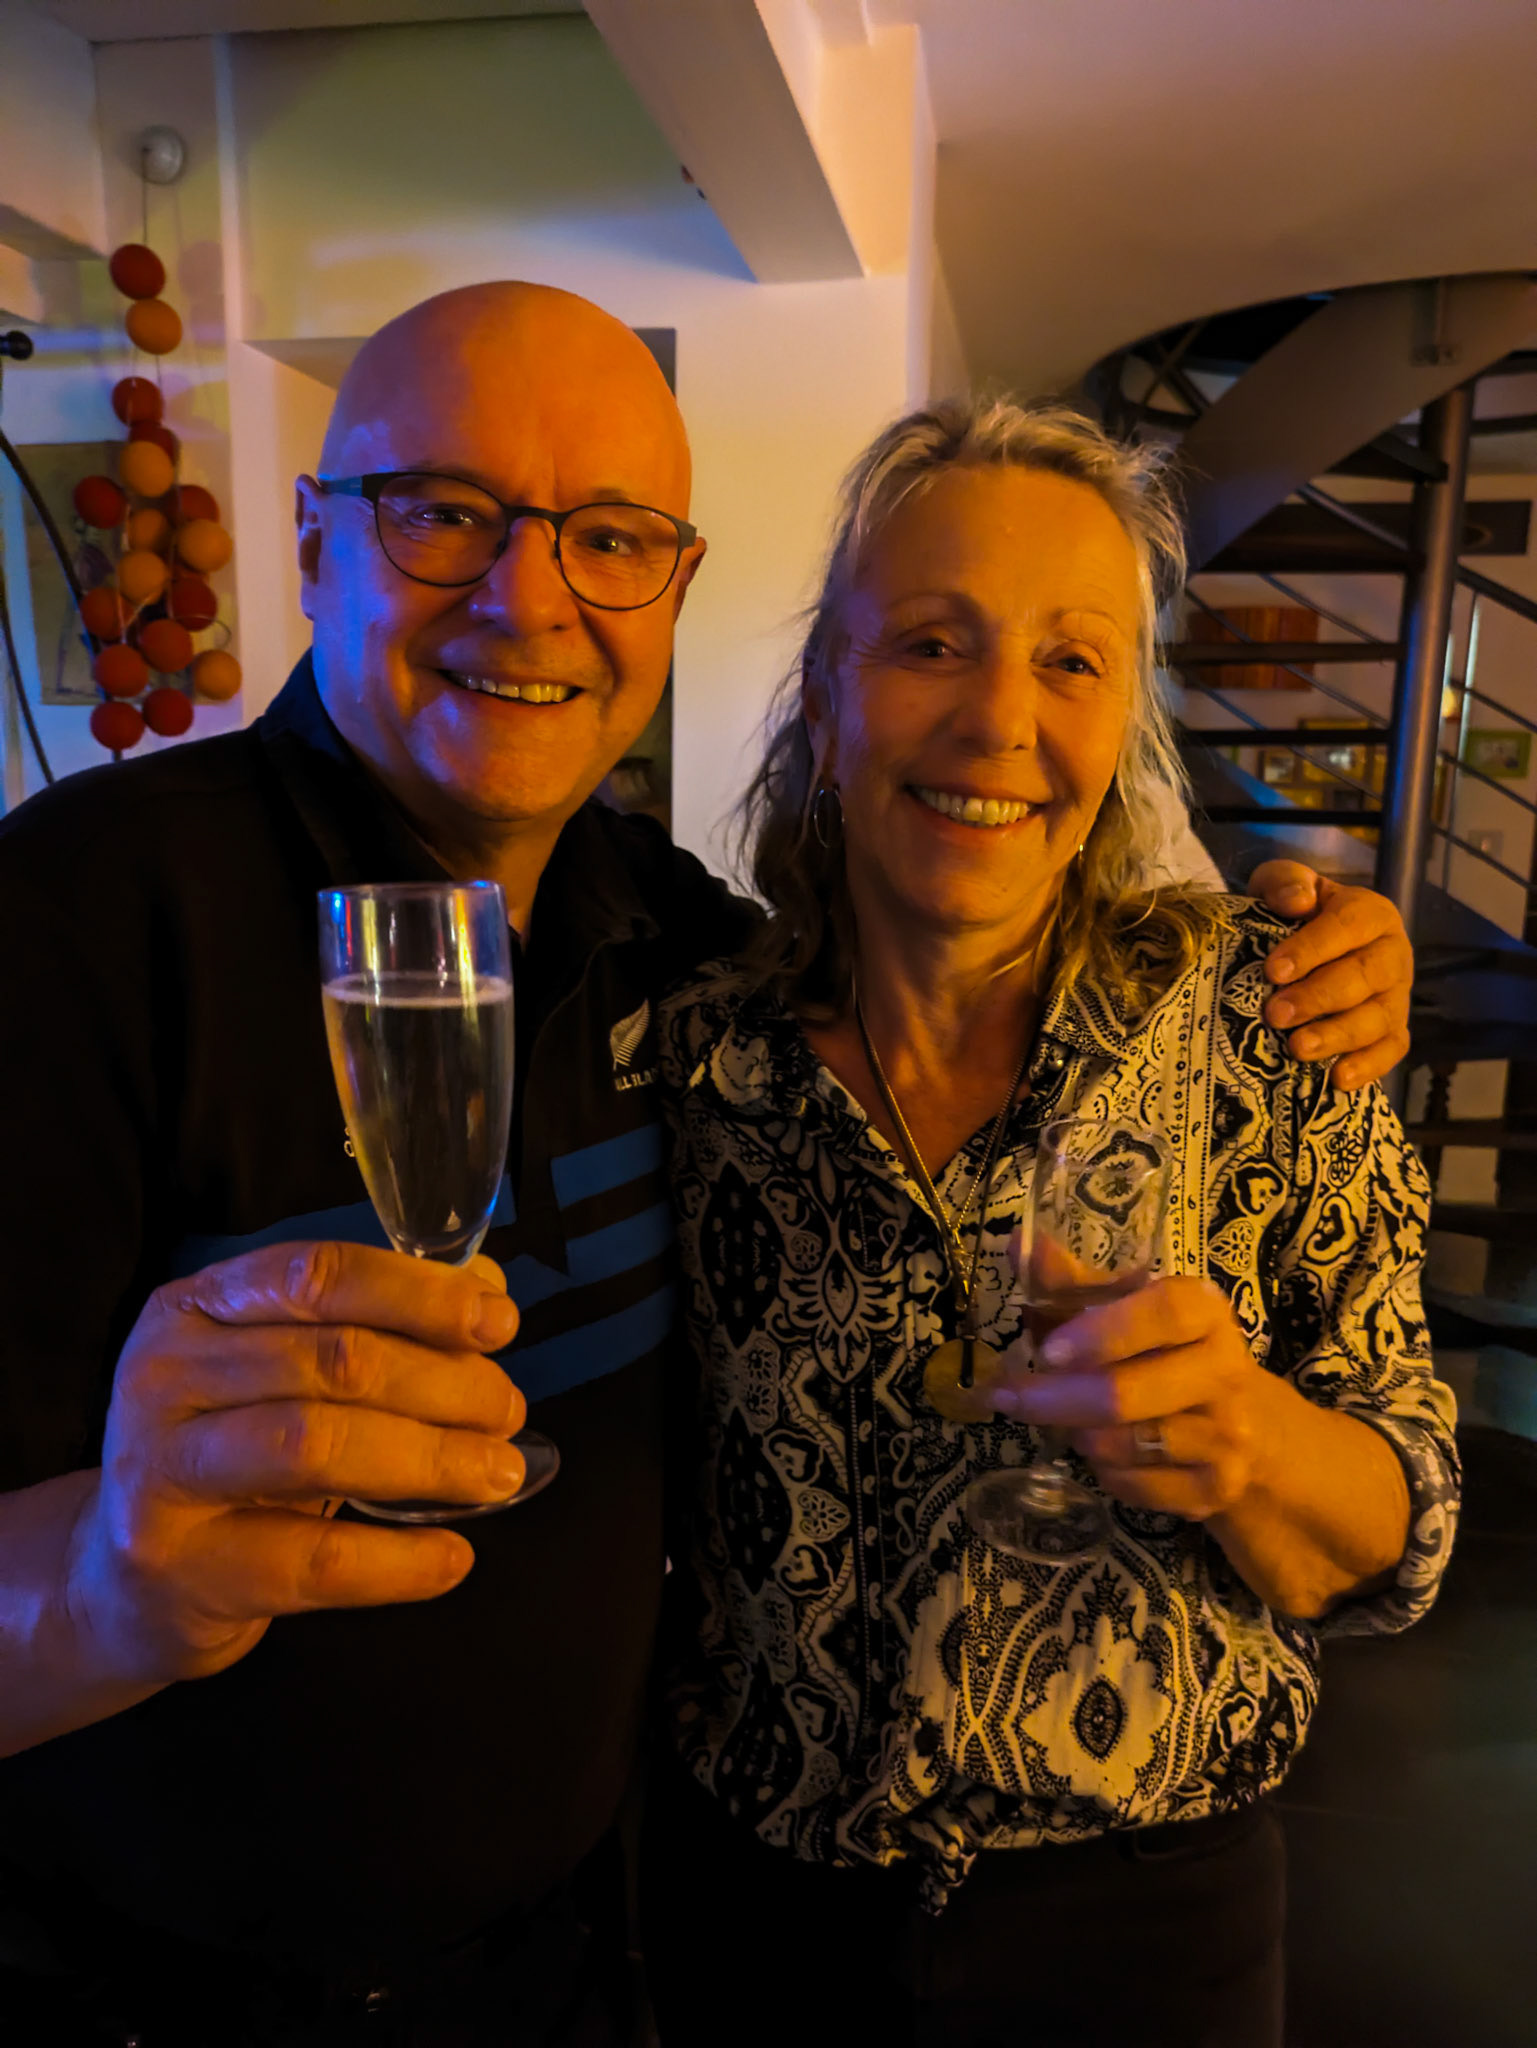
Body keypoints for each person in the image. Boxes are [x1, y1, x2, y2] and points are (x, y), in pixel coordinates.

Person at [0, 283, 1410, 2046]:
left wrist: (1334, 954)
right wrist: (105, 1584)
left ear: (671, 589)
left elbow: (1391, 1512)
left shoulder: (671, 952)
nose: (528, 599)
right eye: (443, 512)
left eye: (606, 539)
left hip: (614, 1967)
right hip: (184, 1998)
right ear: (312, 541)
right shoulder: (74, 923)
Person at [642, 397, 1459, 2048]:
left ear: (1121, 727)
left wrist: (1248, 1441)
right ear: (825, 697)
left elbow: (1402, 1529)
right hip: (756, 1922)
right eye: (931, 644)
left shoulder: (1274, 1018)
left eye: (1070, 661)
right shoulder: (687, 1060)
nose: (998, 720)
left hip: (1144, 1935)